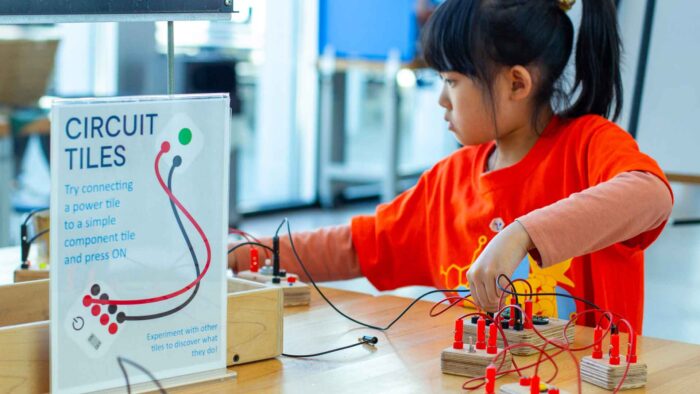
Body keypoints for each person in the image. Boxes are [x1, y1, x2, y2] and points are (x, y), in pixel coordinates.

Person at [229, 0, 673, 333]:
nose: (441, 99)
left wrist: (521, 234)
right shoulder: (449, 181)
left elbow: (651, 195)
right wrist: (242, 254)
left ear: (516, 83)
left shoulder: (588, 145)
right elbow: (356, 246)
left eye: (452, 81)